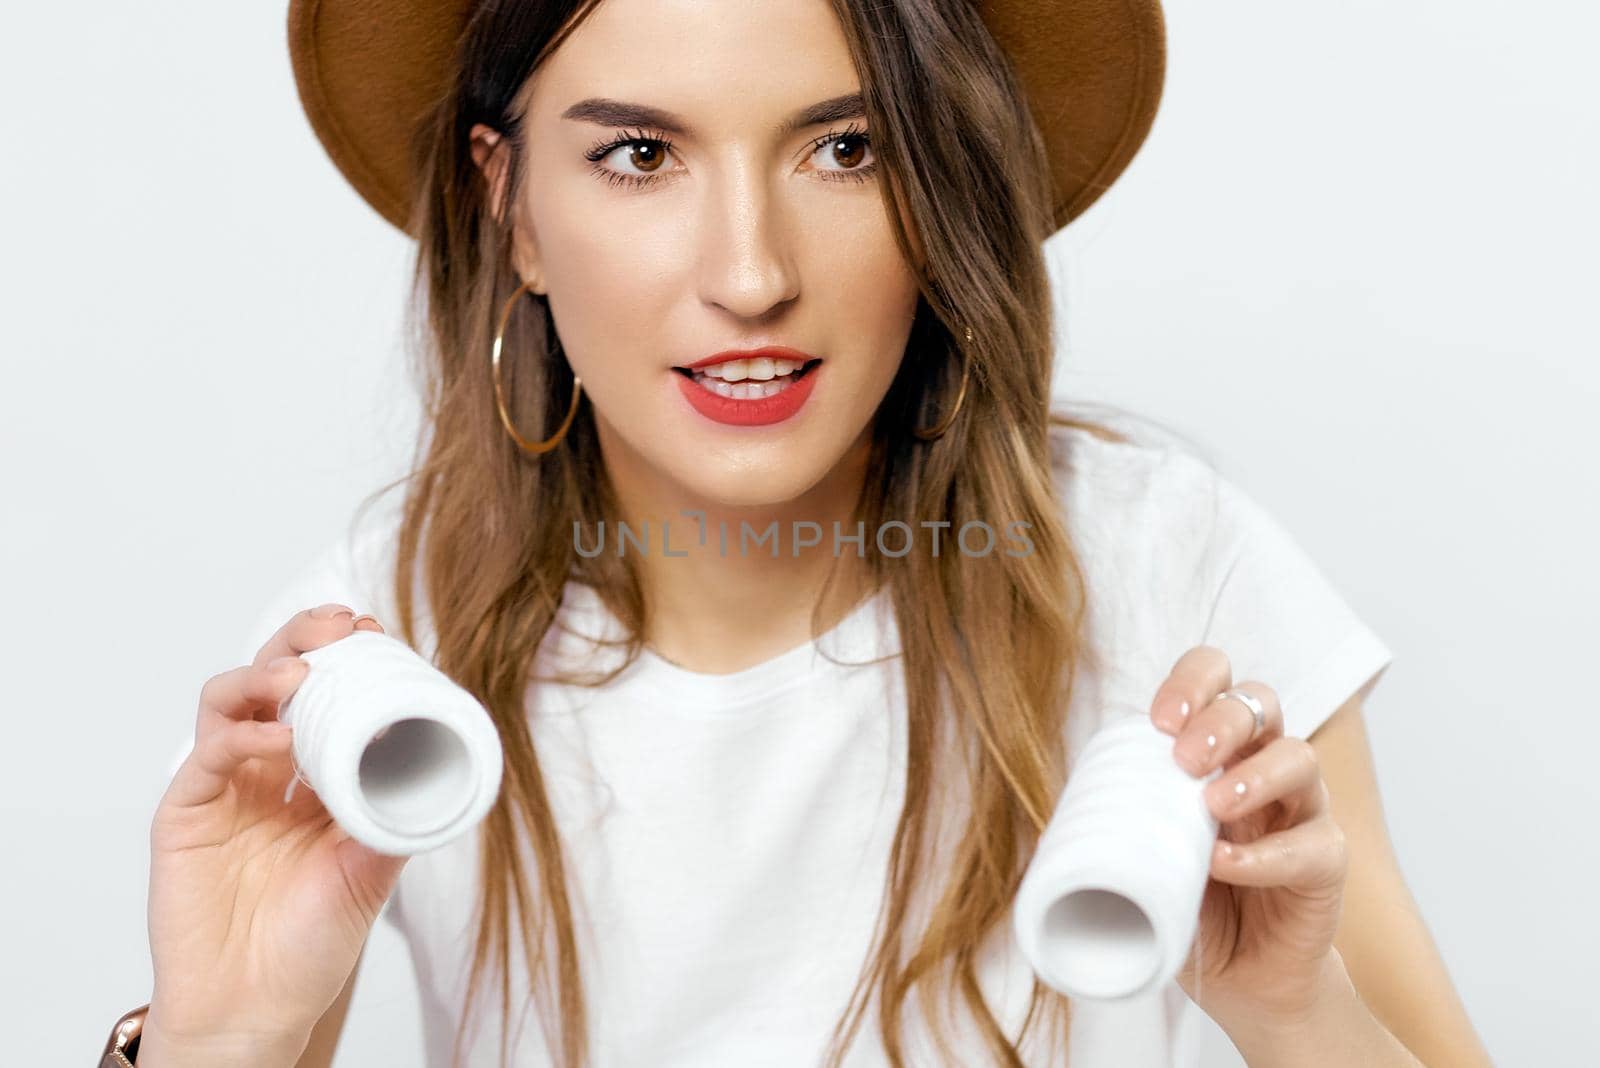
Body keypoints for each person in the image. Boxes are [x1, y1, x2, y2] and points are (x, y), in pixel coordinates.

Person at [118, 1, 1491, 1066]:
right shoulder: (384, 640)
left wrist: (1294, 1016)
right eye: (639, 155)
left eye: (847, 148)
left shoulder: (1161, 568)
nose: (753, 274)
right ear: (512, 207)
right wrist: (216, 1043)